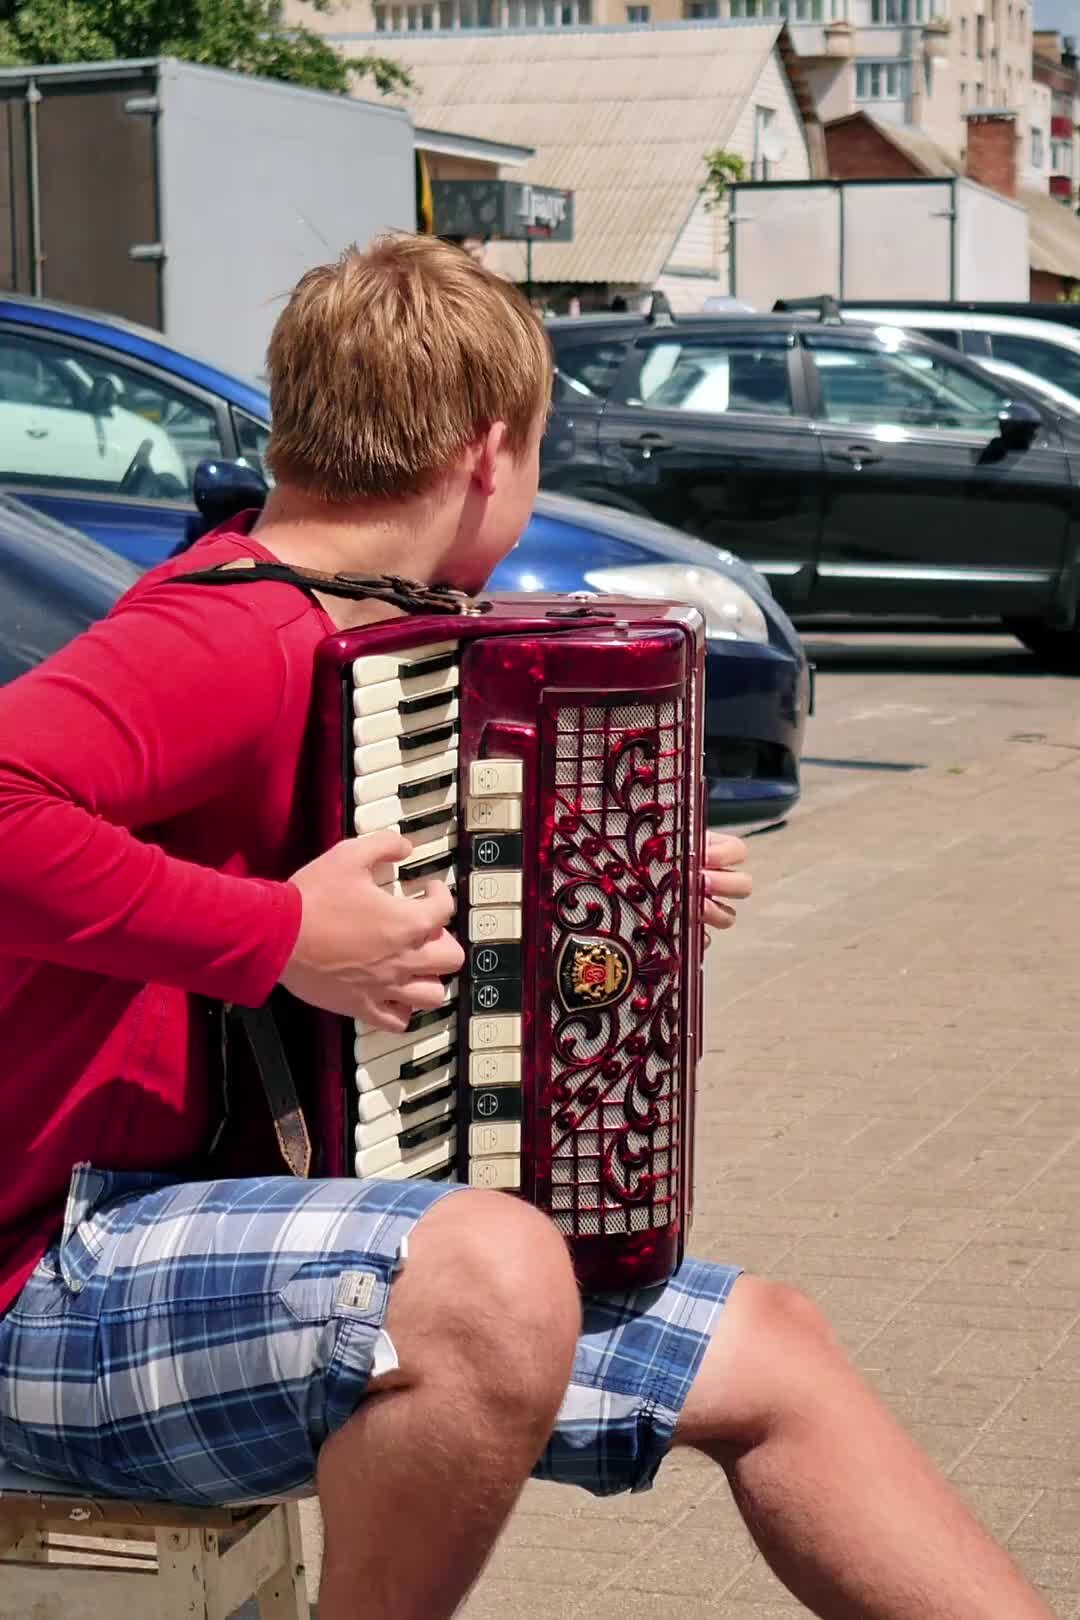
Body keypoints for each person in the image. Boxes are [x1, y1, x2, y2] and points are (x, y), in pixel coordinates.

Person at [0, 235, 1055, 1620]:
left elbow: (408, 929)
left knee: (773, 1358)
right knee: (489, 1270)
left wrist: (606, 900)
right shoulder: (227, 635)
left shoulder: (410, 638)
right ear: (493, 452)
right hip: (40, 1286)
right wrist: (275, 932)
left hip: (197, 1245)